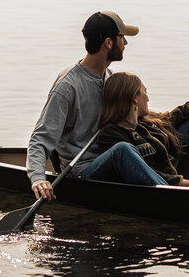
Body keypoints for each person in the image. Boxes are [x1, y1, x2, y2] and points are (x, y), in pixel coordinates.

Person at [27, 12, 139, 200]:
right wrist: (38, 178)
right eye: (122, 38)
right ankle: (173, 190)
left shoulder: (110, 77)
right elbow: (40, 138)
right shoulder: (67, 86)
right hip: (82, 170)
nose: (126, 43)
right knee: (123, 149)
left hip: (108, 158)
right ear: (109, 43)